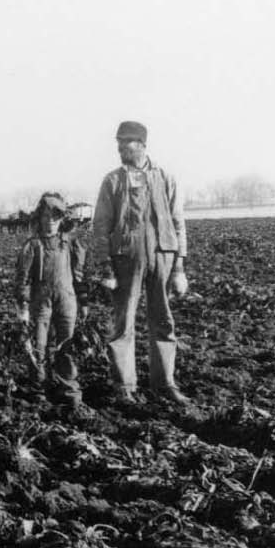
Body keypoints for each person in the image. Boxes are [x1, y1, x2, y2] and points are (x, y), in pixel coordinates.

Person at [93, 121, 189, 405]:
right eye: (119, 143)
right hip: (126, 260)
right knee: (123, 323)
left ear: (142, 145)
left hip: (163, 257)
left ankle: (165, 384)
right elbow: (100, 226)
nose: (121, 148)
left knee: (163, 321)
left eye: (127, 142)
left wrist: (180, 268)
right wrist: (105, 266)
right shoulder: (112, 181)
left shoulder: (165, 177)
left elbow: (178, 222)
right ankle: (124, 386)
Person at [14, 193, 87, 406]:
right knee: (39, 344)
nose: (50, 221)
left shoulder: (70, 244)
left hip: (67, 300)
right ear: (39, 218)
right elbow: (22, 279)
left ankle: (68, 389)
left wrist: (83, 301)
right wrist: (23, 308)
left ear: (63, 219)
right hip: (40, 301)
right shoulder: (32, 245)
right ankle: (39, 388)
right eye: (46, 216)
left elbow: (79, 274)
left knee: (67, 344)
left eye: (55, 216)